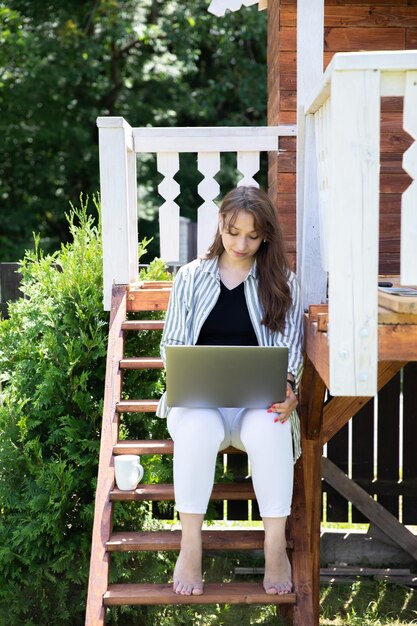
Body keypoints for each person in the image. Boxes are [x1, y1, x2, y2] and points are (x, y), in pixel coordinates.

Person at [156, 185, 303, 597]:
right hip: (200, 402)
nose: (241, 244)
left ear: (266, 236)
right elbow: (173, 345)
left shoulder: (281, 282)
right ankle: (191, 546)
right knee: (198, 430)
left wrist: (289, 389)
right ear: (220, 225)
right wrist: (183, 376)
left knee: (271, 426)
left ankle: (275, 548)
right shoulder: (190, 277)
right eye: (233, 232)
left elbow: (289, 352)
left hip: (256, 404)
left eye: (252, 236)